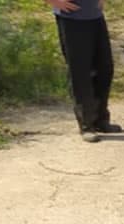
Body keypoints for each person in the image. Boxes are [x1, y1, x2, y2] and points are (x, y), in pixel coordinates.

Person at [45, 0, 118, 143]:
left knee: (104, 68)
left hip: (95, 16)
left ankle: (100, 120)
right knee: (80, 72)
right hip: (72, 19)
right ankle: (87, 125)